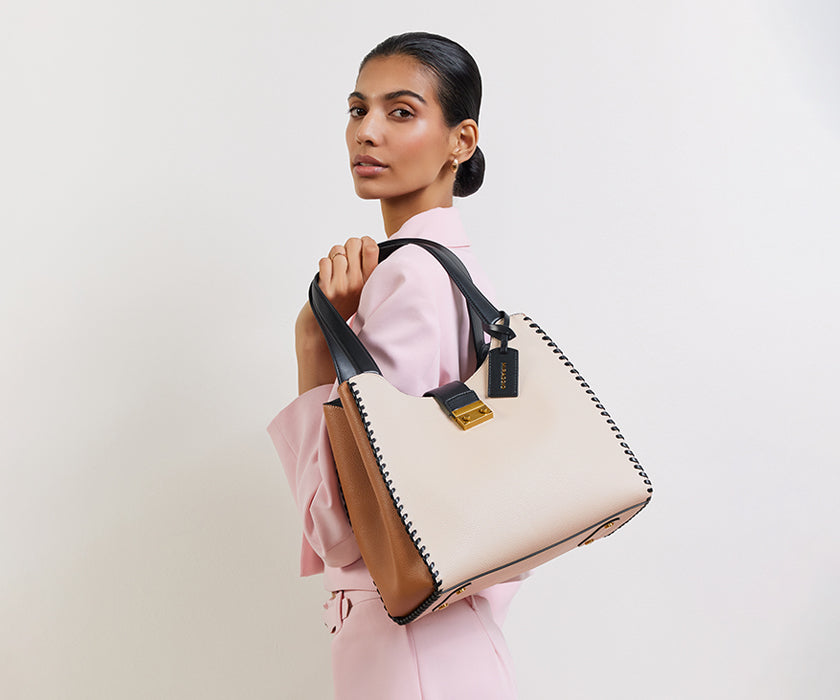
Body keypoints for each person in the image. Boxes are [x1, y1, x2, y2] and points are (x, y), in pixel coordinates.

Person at [267, 32, 520, 699]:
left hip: (404, 644)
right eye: (357, 110)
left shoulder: (406, 276)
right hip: (458, 638)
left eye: (401, 111)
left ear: (461, 141)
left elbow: (347, 526)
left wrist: (315, 344)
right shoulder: (473, 283)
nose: (367, 132)